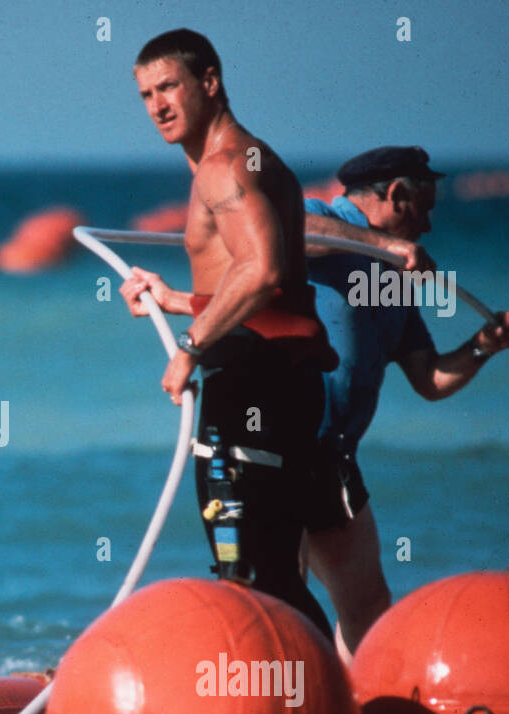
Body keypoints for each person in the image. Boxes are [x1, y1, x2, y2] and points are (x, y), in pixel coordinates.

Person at [119, 29, 338, 635]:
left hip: (253, 385)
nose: (157, 105)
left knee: (246, 576)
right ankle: (327, 705)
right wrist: (177, 300)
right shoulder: (256, 157)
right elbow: (273, 290)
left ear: (209, 83)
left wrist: (190, 348)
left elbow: (263, 272)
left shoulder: (221, 168)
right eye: (144, 95)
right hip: (282, 380)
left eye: (169, 87)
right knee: (273, 574)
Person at [300, 145, 509, 663]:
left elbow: (430, 379)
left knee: (370, 608)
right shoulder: (321, 217)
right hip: (281, 450)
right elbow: (289, 232)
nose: (426, 227)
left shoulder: (392, 282)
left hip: (335, 461)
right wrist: (383, 245)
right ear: (396, 195)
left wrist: (483, 346)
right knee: (284, 601)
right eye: (423, 209)